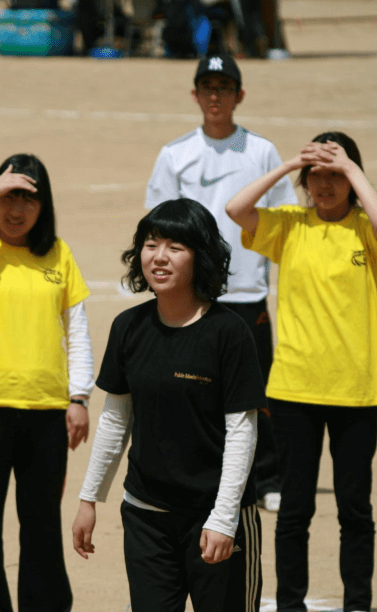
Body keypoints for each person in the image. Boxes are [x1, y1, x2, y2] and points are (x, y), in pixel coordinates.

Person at [225, 132, 377, 612]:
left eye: (335, 175)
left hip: (359, 389)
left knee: (355, 509)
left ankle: (358, 605)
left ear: (351, 178)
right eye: (316, 175)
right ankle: (291, 605)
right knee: (295, 511)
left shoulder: (365, 228)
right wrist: (287, 165)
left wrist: (350, 166)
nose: (324, 185)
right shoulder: (289, 225)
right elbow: (236, 210)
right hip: (295, 389)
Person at [71, 199, 266, 612]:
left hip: (214, 516)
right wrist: (90, 500)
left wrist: (223, 519)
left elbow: (242, 431)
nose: (158, 257)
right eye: (150, 243)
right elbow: (114, 420)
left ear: (202, 257)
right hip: (146, 518)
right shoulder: (129, 328)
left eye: (175, 247)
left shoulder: (229, 333)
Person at [0, 153, 94, 612]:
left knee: (42, 526)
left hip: (46, 412)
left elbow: (78, 329)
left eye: (28, 197)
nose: (16, 209)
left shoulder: (59, 254)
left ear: (43, 206)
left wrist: (79, 396)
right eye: (8, 196)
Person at [146, 52, 295, 518]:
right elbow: (158, 222)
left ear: (239, 95)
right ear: (195, 95)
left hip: (247, 292)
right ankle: (202, 474)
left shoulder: (261, 152)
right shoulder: (175, 155)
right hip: (195, 294)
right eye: (207, 88)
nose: (215, 96)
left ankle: (267, 479)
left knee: (256, 393)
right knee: (193, 391)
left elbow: (284, 220)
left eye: (224, 88)